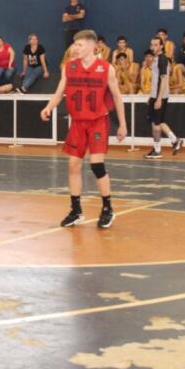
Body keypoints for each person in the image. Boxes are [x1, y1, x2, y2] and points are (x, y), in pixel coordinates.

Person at [40, 30, 127, 229]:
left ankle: (107, 209)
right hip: (78, 122)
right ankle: (76, 211)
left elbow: (117, 97)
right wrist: (48, 107)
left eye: (78, 45)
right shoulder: (69, 67)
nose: (74, 48)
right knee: (73, 165)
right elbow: (59, 92)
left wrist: (122, 124)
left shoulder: (106, 69)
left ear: (91, 46)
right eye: (74, 45)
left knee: (97, 165)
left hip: (98, 122)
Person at [143, 36, 184, 159]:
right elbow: (155, 80)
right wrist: (151, 97)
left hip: (159, 96)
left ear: (161, 46)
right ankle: (174, 140)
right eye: (152, 44)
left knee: (156, 125)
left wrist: (159, 99)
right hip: (154, 96)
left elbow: (164, 80)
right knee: (158, 122)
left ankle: (158, 150)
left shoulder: (163, 60)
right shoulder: (156, 58)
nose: (153, 47)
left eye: (156, 45)